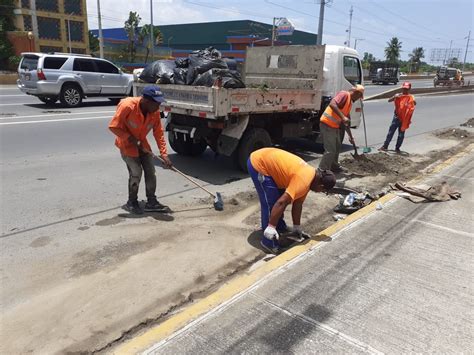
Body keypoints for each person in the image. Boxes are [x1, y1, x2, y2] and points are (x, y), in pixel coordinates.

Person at [247, 147, 337, 254]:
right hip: (259, 163)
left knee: (279, 198)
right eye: (323, 191)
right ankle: (268, 241)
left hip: (271, 163)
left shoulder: (311, 178)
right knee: (271, 202)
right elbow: (281, 202)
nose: (319, 192)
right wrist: (271, 226)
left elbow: (297, 203)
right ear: (321, 185)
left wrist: (296, 227)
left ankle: (279, 227)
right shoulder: (304, 181)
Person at [109, 85, 173, 214]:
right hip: (126, 144)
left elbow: (158, 133)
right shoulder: (127, 106)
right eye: (156, 103)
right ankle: (131, 202)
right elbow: (113, 127)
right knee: (136, 172)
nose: (158, 107)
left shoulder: (153, 112)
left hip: (142, 143)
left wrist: (164, 154)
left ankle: (152, 202)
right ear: (146, 101)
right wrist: (130, 138)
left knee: (150, 170)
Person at [318, 85, 365, 173]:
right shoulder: (344, 94)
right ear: (357, 93)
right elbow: (332, 104)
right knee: (330, 150)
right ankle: (321, 171)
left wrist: (351, 137)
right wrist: (343, 117)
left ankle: (334, 166)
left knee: (337, 147)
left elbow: (346, 123)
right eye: (359, 96)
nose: (358, 99)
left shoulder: (349, 103)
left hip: (334, 127)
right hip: (327, 124)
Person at [379, 81, 416, 153]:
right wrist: (394, 96)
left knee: (401, 134)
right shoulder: (398, 95)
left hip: (404, 119)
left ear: (409, 89)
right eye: (404, 88)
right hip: (396, 117)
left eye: (407, 89)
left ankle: (397, 148)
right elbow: (389, 100)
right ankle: (385, 146)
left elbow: (414, 104)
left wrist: (413, 102)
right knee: (390, 132)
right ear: (402, 88)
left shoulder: (411, 97)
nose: (405, 90)